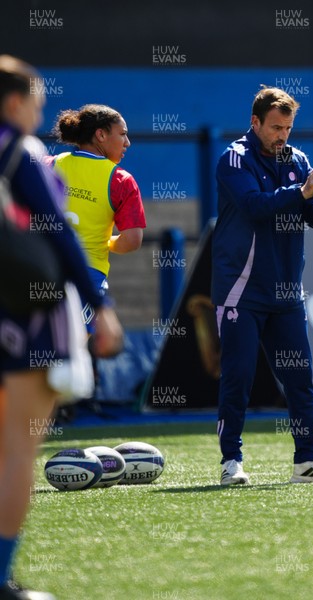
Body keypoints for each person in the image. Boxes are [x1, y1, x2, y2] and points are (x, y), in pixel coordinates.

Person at [0, 55, 123, 599]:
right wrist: (101, 304)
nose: (38, 113)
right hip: (23, 311)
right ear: (13, 103)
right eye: (36, 103)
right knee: (17, 451)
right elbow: (59, 234)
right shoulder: (19, 150)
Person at [212, 85, 313, 485]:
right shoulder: (233, 159)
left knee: (300, 379)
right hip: (241, 288)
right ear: (255, 122)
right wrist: (303, 190)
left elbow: (311, 215)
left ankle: (306, 462)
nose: (282, 136)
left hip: (287, 291)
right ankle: (231, 463)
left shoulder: (297, 160)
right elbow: (255, 207)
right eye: (275, 127)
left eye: (288, 128)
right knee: (238, 375)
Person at [49, 104, 146, 332]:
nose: (127, 142)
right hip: (87, 277)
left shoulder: (48, 164)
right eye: (122, 134)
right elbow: (132, 240)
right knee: (82, 353)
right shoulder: (121, 181)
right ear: (100, 135)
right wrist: (108, 242)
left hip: (43, 271)